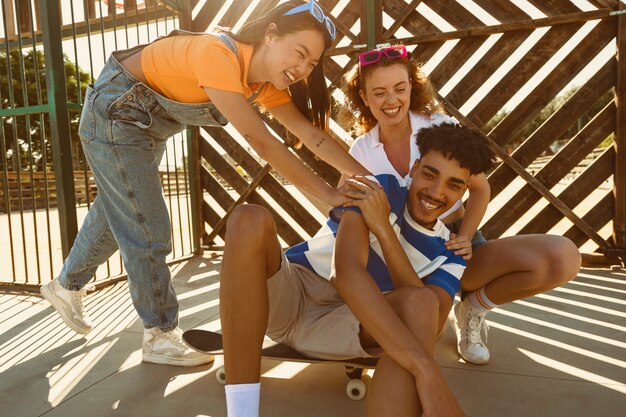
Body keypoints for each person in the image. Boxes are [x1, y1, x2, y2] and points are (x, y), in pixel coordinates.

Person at [40, 0, 368, 367]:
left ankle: (65, 286)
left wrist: (364, 175)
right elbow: (264, 143)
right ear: (271, 34)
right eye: (300, 53)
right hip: (115, 115)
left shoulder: (262, 85)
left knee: (120, 212)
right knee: (148, 227)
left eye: (312, 64)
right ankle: (159, 334)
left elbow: (311, 135)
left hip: (145, 127)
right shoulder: (219, 54)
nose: (303, 69)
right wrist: (329, 195)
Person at [219, 122, 496, 417]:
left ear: (464, 191)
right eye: (430, 174)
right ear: (414, 168)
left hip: (348, 324)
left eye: (454, 185)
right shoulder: (381, 189)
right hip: (291, 293)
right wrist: (427, 372)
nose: (437, 192)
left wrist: (384, 232)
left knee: (422, 302)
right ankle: (241, 413)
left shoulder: (451, 251)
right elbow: (345, 274)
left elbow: (432, 319)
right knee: (249, 217)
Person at [339, 44, 582, 364]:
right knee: (424, 324)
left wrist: (465, 236)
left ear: (412, 86)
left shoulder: (438, 126)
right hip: (401, 252)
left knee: (561, 259)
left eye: (400, 88)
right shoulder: (360, 150)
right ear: (364, 97)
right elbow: (346, 211)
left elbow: (480, 188)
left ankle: (472, 309)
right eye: (379, 92)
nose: (392, 100)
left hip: (451, 237)